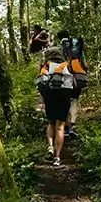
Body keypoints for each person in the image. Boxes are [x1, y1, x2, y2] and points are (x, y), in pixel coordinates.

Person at [36, 36, 75, 167]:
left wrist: (43, 100)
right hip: (63, 99)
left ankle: (50, 147)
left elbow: (40, 85)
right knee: (60, 127)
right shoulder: (66, 66)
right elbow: (73, 85)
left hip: (50, 98)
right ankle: (57, 157)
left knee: (51, 123)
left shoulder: (46, 66)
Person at [58, 29, 87, 138]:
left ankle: (65, 128)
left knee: (65, 102)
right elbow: (85, 64)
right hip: (77, 76)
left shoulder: (59, 49)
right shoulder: (77, 46)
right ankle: (73, 126)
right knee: (74, 100)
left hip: (64, 78)